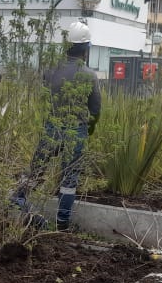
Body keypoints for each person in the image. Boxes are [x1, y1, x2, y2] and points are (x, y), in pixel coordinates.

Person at [13, 21, 101, 231]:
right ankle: (62, 225)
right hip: (76, 130)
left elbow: (45, 98)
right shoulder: (89, 75)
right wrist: (89, 128)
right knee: (69, 179)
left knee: (36, 171)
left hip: (51, 127)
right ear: (86, 48)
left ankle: (18, 200)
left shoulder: (50, 71)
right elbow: (96, 110)